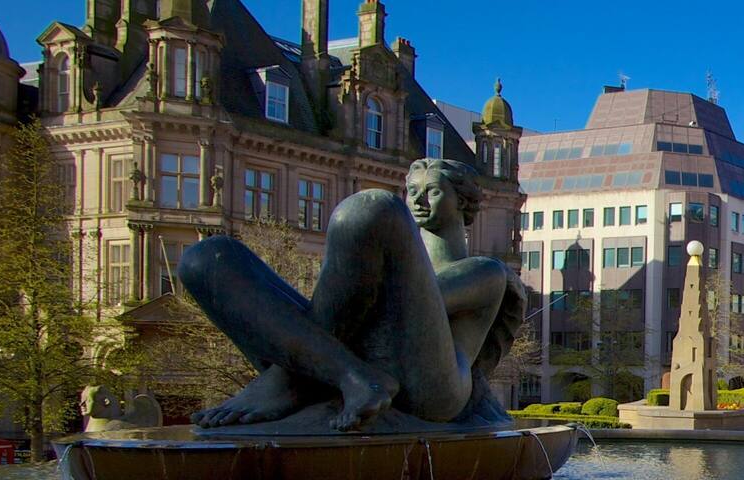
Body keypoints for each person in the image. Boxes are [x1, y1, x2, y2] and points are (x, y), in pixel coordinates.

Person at [179, 159, 524, 431]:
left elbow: (394, 307)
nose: (417, 200)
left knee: (371, 209)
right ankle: (353, 377)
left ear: (462, 202)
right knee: (206, 258)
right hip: (352, 360)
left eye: (432, 191)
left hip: (432, 393)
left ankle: (288, 380)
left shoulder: (486, 271)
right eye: (412, 190)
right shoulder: (389, 252)